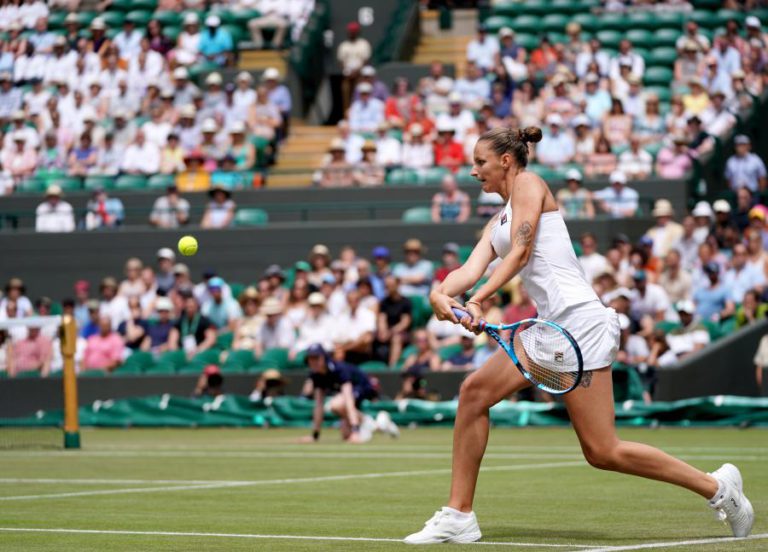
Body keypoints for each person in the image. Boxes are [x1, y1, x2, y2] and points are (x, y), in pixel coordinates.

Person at [404, 126, 753, 544]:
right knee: (475, 392)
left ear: (505, 161)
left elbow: (521, 251)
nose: (473, 171)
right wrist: (438, 294)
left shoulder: (530, 185)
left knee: (602, 451)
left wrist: (477, 301)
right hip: (551, 326)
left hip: (581, 322)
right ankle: (459, 515)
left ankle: (719, 489)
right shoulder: (497, 219)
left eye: (479, 162)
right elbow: (468, 269)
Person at [300, 343, 397, 444]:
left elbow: (348, 400)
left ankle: (362, 426)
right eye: (311, 358)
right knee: (346, 435)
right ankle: (380, 425)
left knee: (336, 405)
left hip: (364, 387)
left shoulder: (340, 370)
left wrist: (355, 431)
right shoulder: (316, 375)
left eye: (316, 358)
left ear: (324, 357)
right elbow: (318, 405)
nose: (313, 362)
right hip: (349, 395)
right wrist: (315, 435)